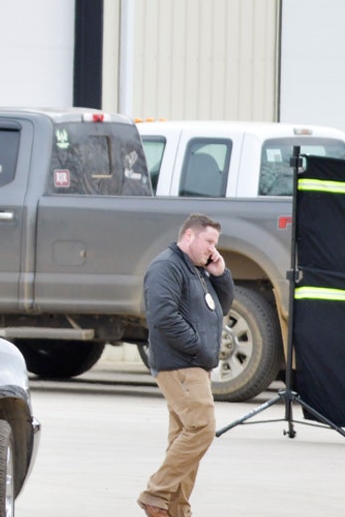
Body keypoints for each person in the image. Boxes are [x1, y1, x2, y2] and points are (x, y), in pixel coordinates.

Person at [137, 213, 233, 517]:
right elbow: (163, 316)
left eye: (215, 243)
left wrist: (220, 274)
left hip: (194, 363)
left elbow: (220, 308)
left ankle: (176, 509)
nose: (212, 249)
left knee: (183, 437)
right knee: (202, 427)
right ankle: (155, 494)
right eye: (209, 241)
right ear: (189, 236)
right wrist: (197, 345)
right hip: (181, 364)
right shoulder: (166, 267)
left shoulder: (198, 270)